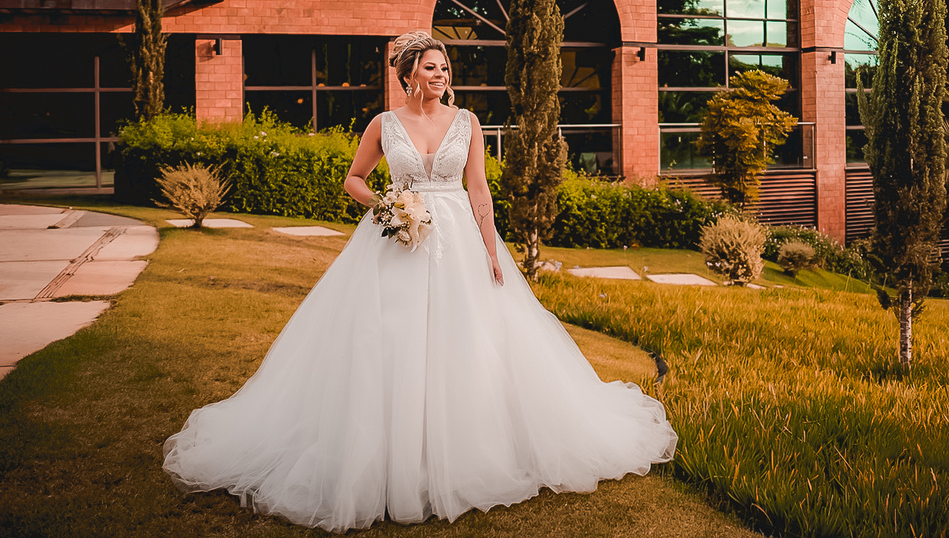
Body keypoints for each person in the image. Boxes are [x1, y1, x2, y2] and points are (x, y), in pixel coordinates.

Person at [162, 30, 677, 532]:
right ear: (409, 75)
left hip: (458, 243)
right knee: (391, 342)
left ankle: (470, 447)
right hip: (396, 242)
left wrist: (492, 247)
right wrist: (389, 206)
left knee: (470, 340)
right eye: (431, 67)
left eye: (445, 67)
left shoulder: (468, 122)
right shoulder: (384, 124)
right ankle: (388, 455)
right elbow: (354, 180)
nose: (441, 74)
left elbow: (478, 189)